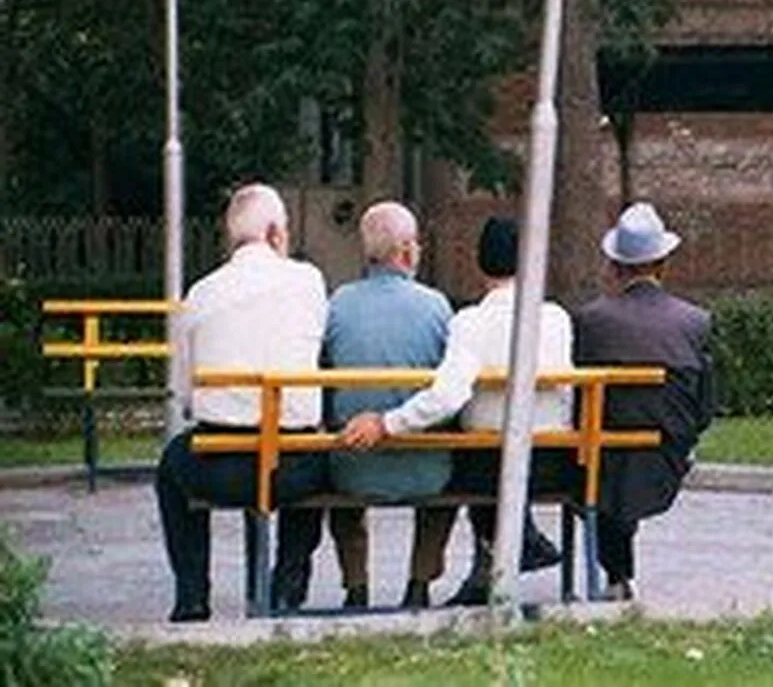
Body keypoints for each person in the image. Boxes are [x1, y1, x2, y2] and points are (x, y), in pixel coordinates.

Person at [341, 217, 570, 607]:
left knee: (461, 450)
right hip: (551, 461)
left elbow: (447, 397)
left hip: (487, 468)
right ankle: (509, 550)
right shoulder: (556, 318)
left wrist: (386, 423)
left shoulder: (470, 322)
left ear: (480, 265)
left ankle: (494, 560)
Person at [156, 183, 329, 622]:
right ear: (275, 233)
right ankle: (288, 583)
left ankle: (192, 595)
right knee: (322, 458)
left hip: (221, 466)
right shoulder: (308, 281)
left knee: (171, 467)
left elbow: (184, 392)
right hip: (291, 466)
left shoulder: (200, 293)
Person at [572, 202, 713, 601]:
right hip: (666, 450)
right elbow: (704, 406)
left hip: (602, 455)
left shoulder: (590, 321)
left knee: (606, 467)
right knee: (622, 465)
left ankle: (617, 575)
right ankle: (619, 576)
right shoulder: (695, 322)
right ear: (663, 264)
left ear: (615, 266)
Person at [319, 201, 455, 609]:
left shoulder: (338, 303)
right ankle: (419, 583)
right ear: (407, 251)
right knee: (451, 466)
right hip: (426, 470)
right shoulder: (436, 306)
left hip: (353, 467)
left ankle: (356, 586)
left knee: (337, 448)